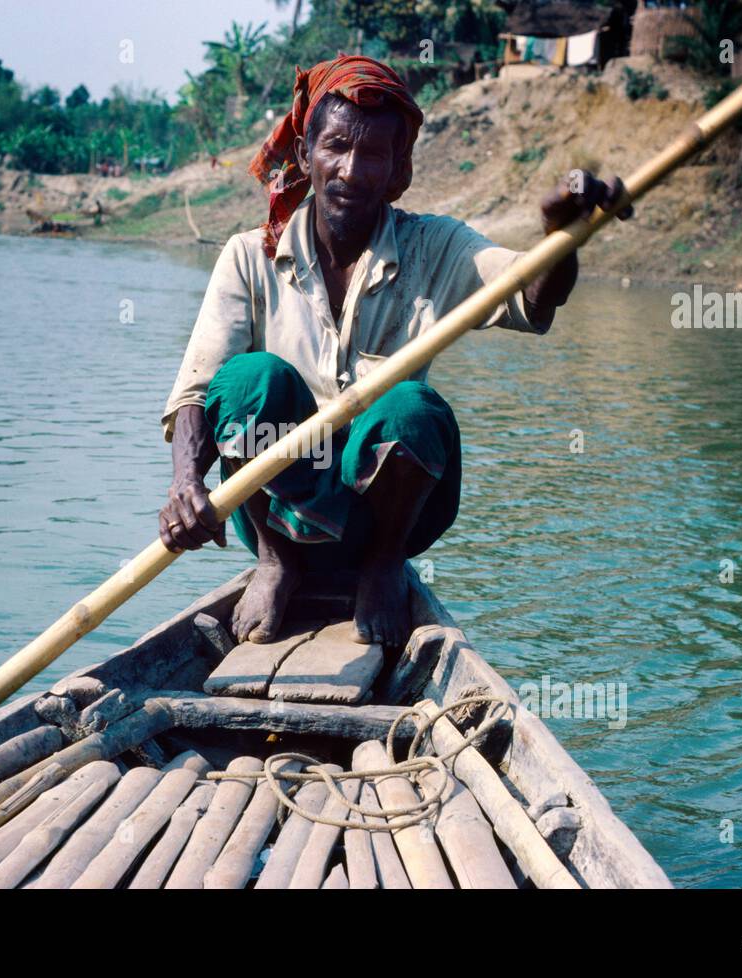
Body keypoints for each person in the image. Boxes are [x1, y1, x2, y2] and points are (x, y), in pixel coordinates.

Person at [158, 55, 630, 648]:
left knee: (412, 407)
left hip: (379, 515)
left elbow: (529, 296)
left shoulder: (434, 246)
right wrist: (184, 484)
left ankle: (381, 568)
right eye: (335, 147)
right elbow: (198, 393)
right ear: (305, 155)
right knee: (252, 378)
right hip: (275, 513)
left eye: (374, 155)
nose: (351, 171)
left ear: (398, 173)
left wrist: (564, 238)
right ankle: (279, 565)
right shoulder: (249, 256)